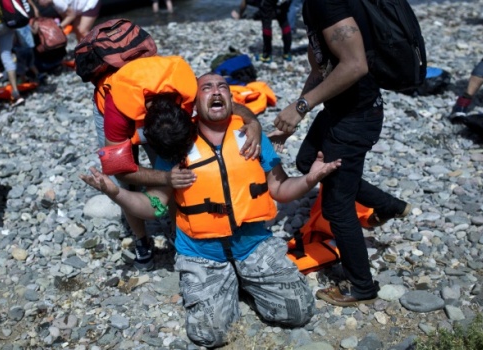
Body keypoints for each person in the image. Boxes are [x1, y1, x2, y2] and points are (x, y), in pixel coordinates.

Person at [81, 72, 340, 348]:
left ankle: (243, 279)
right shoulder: (178, 143)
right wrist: (116, 193)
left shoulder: (251, 134)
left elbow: (280, 188)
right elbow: (153, 206)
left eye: (223, 87)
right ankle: (228, 282)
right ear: (194, 101)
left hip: (252, 244)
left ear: (230, 98)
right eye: (207, 87)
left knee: (299, 312)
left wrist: (310, 180)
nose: (216, 91)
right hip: (202, 254)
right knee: (210, 335)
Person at [273, 0, 411, 307]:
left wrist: (300, 107)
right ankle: (390, 206)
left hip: (356, 119)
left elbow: (355, 64)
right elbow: (320, 69)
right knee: (308, 161)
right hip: (339, 111)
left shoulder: (329, 4)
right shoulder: (313, 6)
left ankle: (361, 286)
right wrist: (296, 116)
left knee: (338, 208)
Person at [91, 56, 263, 271]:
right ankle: (141, 240)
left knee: (174, 173)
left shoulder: (187, 91)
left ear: (188, 112)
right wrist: (163, 178)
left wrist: (253, 121)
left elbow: (229, 105)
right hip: (111, 101)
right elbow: (119, 169)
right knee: (126, 184)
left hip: (152, 87)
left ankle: (175, 229)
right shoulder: (116, 111)